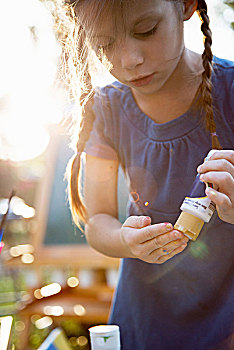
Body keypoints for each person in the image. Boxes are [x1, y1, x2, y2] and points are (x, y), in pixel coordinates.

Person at [59, 0, 234, 348]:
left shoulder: (229, 93)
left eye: (146, 30)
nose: (129, 60)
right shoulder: (107, 109)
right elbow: (99, 221)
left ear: (185, 6)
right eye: (105, 44)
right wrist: (125, 241)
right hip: (142, 326)